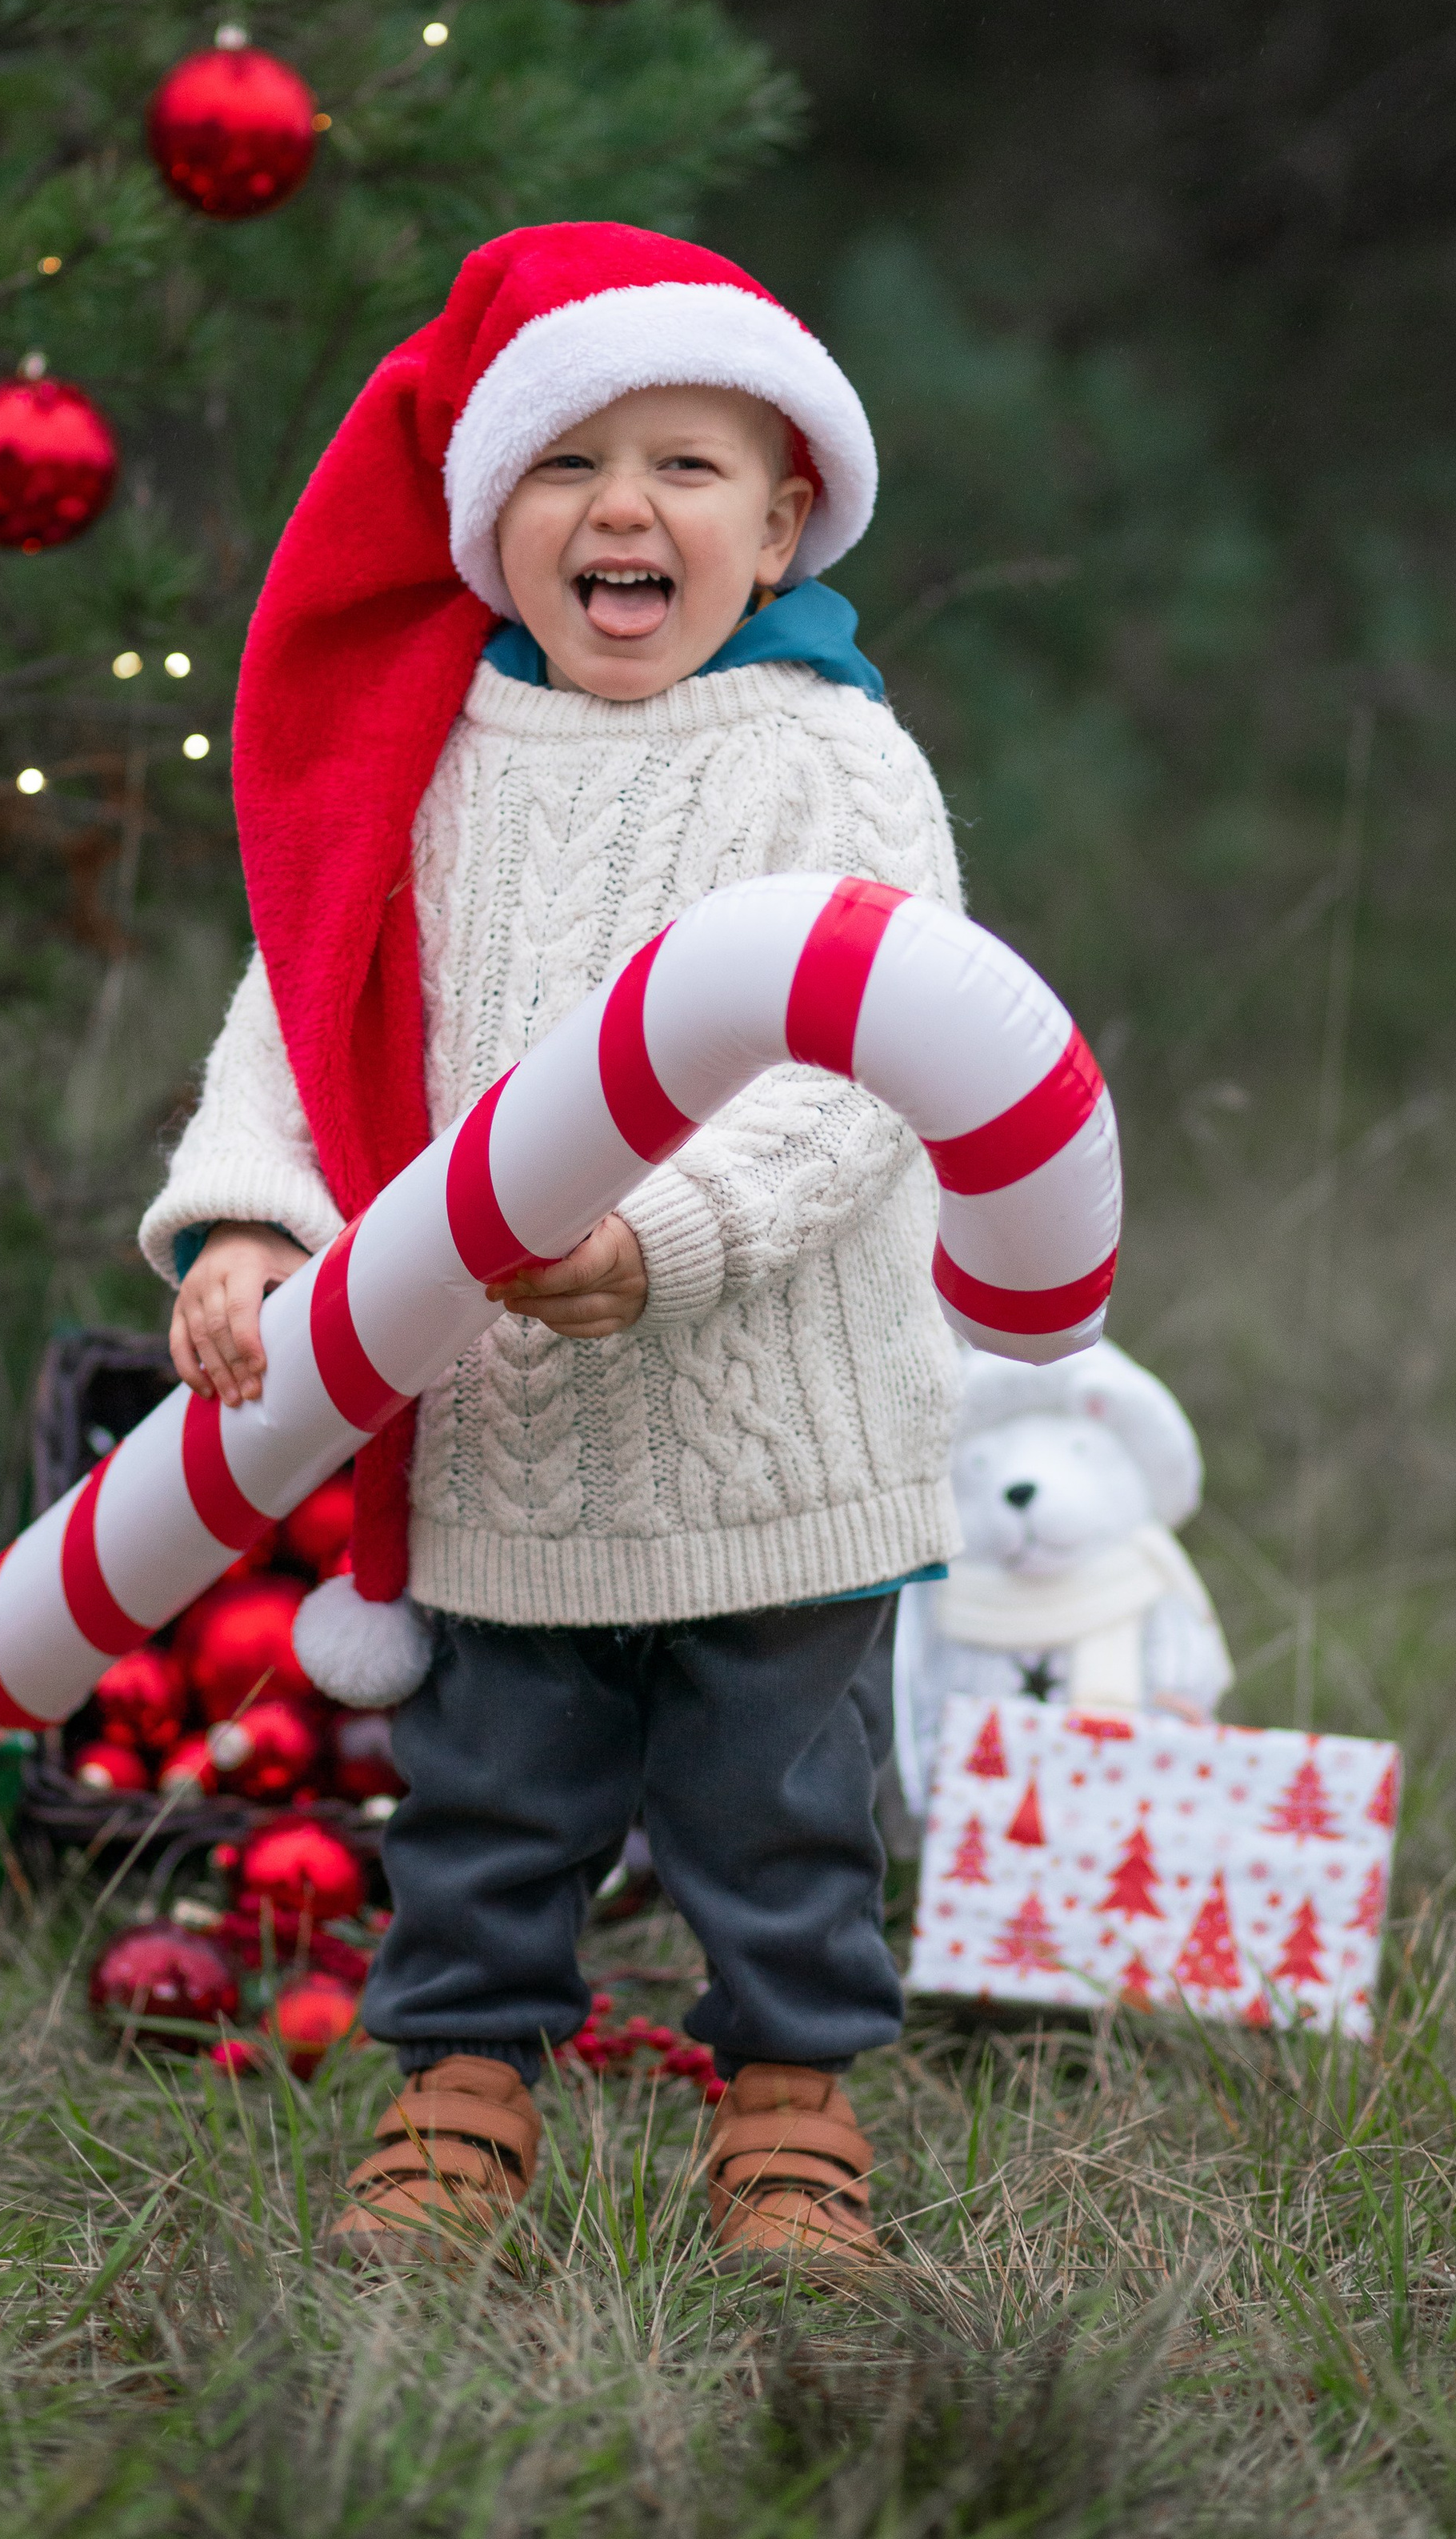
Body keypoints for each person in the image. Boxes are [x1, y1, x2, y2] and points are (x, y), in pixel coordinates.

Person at [140, 222, 962, 2269]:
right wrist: (251, 1220)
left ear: (778, 525)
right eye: (562, 462)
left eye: (683, 465)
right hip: (500, 1421)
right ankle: (460, 2086)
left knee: (775, 1802)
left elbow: (863, 1074)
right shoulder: (430, 769)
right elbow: (309, 1011)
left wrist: (666, 1230)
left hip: (768, 1428)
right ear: (480, 518)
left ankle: (784, 2100)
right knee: (491, 1796)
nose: (621, 506)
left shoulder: (829, 759)